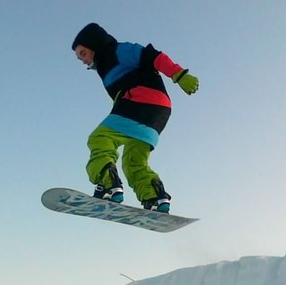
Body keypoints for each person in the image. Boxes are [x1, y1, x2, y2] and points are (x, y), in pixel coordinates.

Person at [71, 23, 199, 213]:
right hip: (158, 112)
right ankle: (155, 197)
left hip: (141, 101)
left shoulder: (117, 51)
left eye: (82, 53)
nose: (82, 60)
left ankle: (107, 184)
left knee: (100, 138)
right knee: (134, 162)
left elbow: (153, 57)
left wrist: (178, 74)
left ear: (94, 44)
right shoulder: (105, 67)